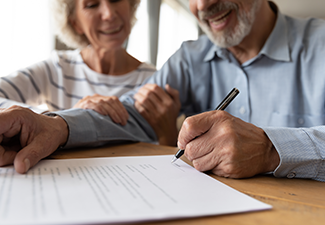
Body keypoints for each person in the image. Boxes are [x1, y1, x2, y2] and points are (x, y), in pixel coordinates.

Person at [0, 0, 325, 183]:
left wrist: (271, 149)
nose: (202, 5)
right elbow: (131, 114)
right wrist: (57, 126)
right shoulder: (190, 57)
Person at [0, 0, 155, 126]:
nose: (109, 14)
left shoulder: (155, 81)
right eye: (92, 5)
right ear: (75, 23)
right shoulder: (57, 68)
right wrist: (62, 120)